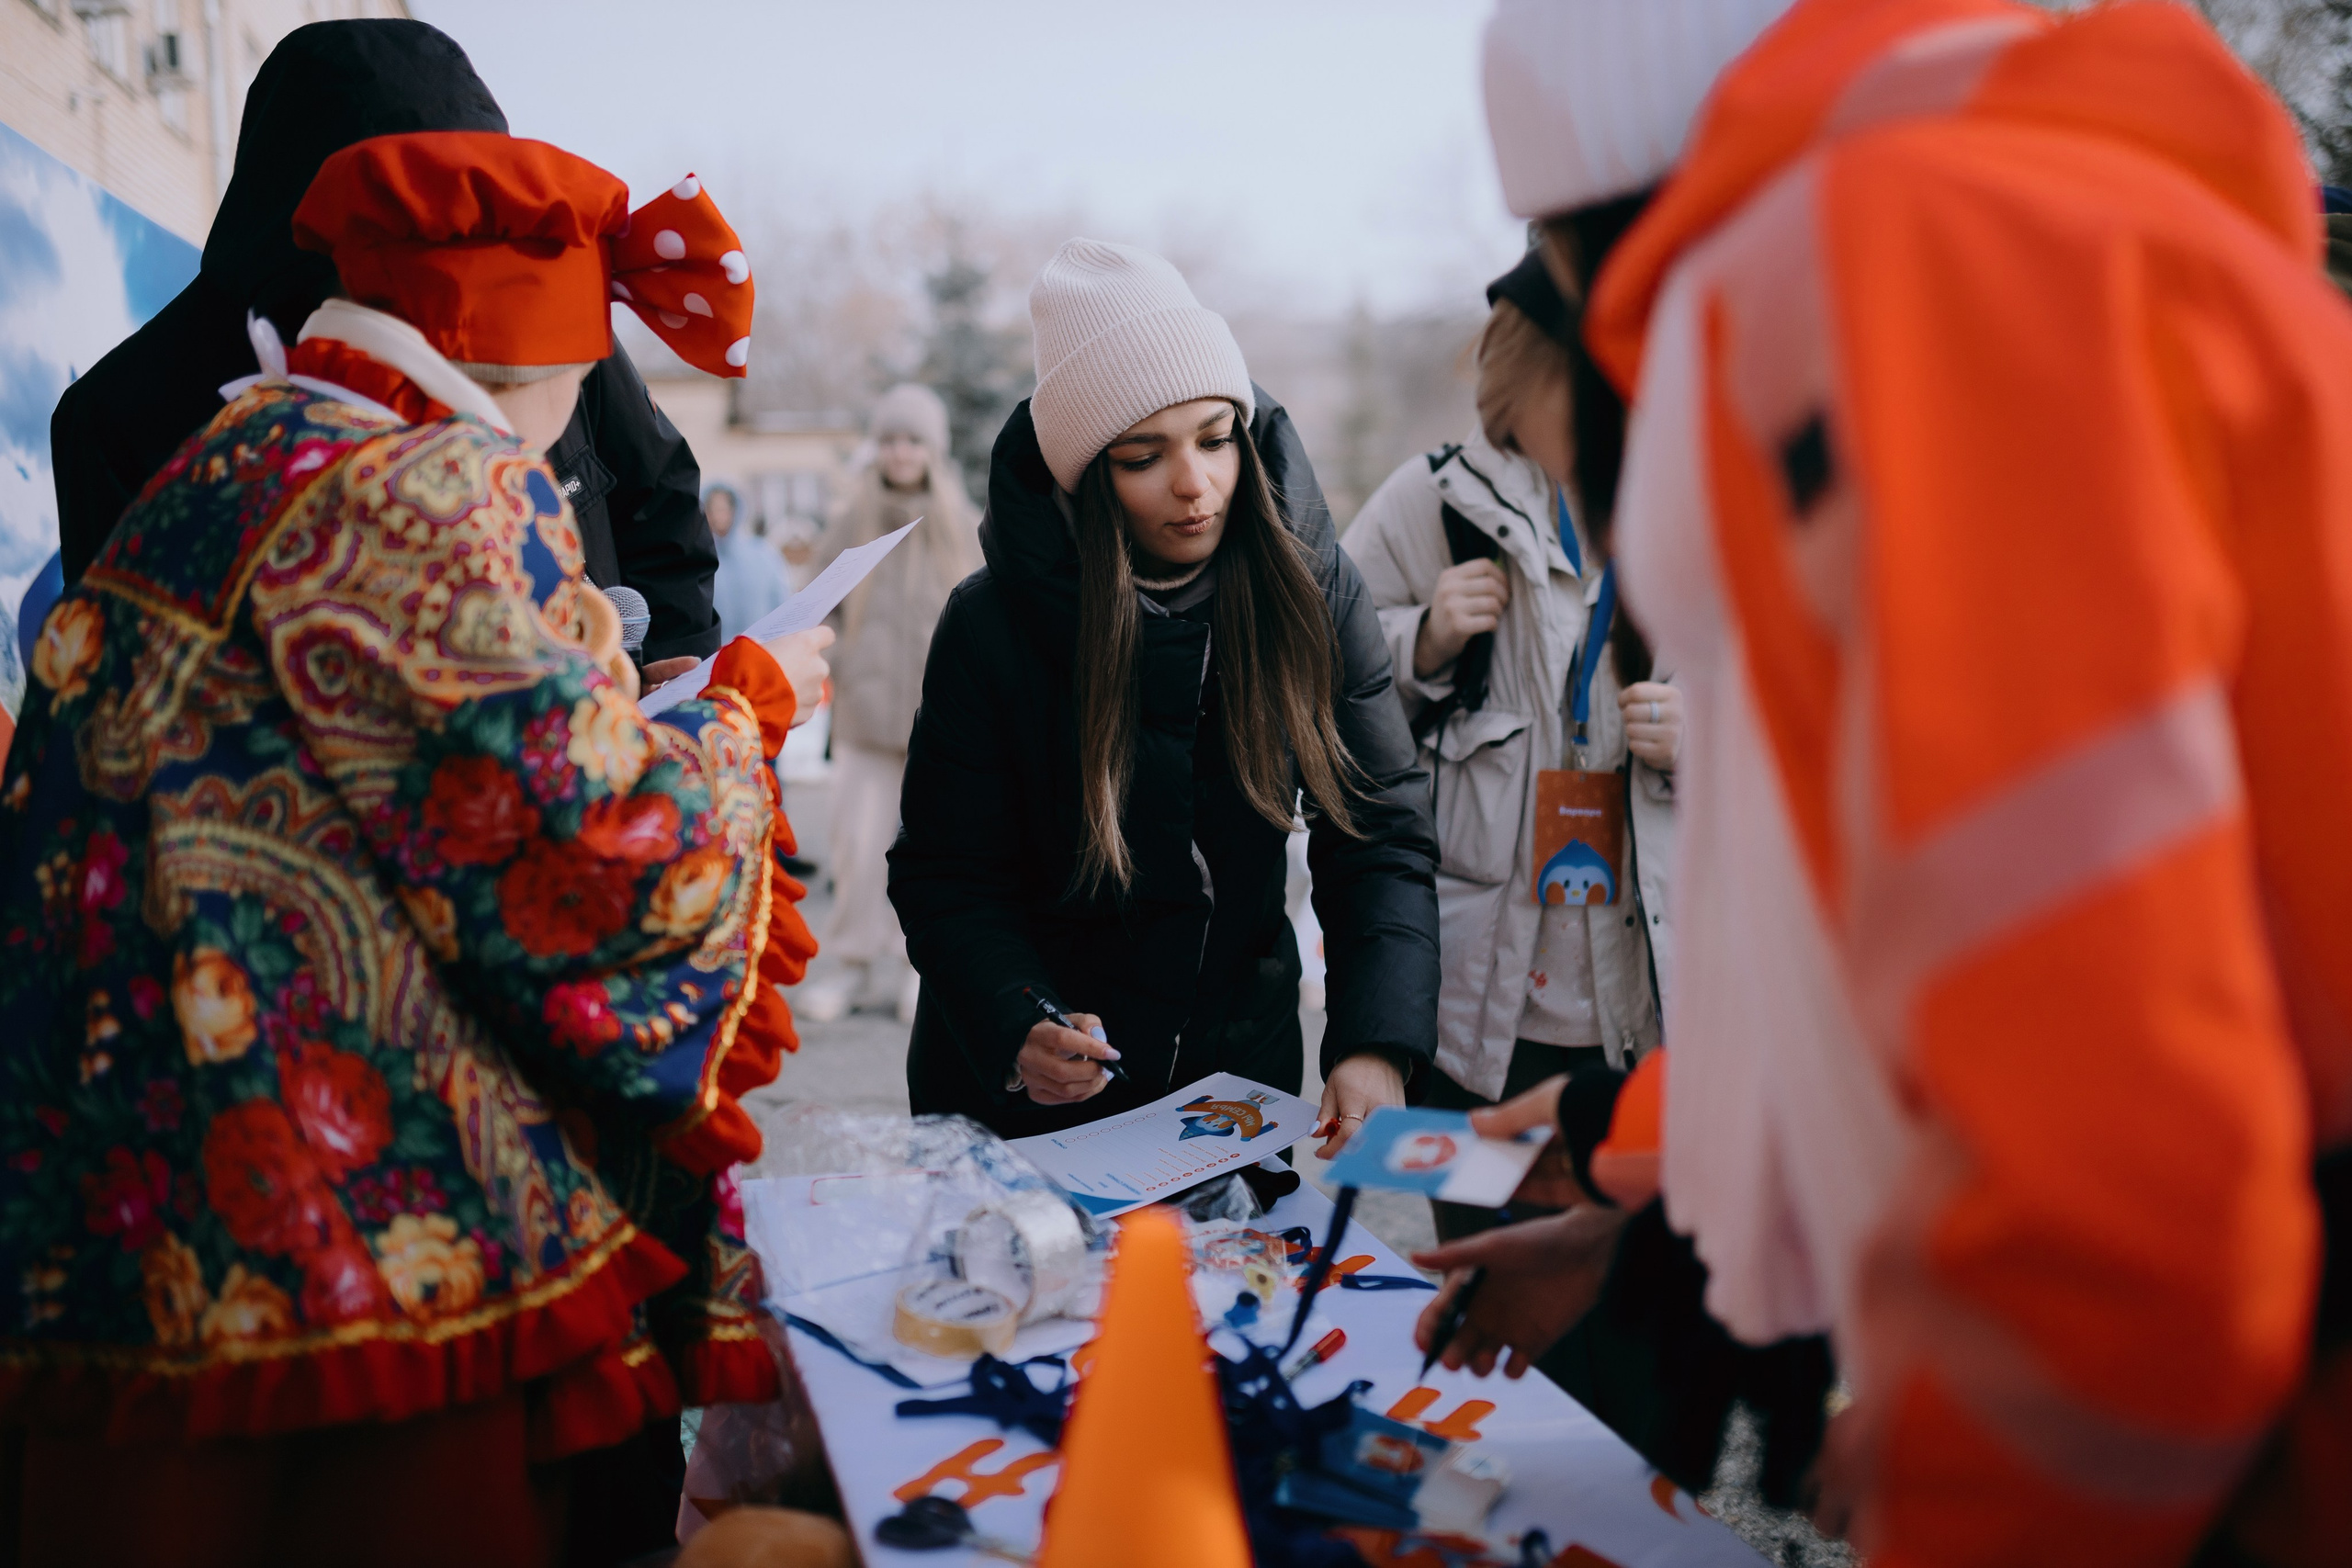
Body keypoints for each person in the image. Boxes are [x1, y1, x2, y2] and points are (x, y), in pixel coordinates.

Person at [1416, 2, 2352, 1562]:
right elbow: (1926, 966)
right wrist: (1617, 1158)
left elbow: (2126, 1178)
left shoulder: (1882, 282)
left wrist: (1974, 1495)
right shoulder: (2004, 217)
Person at [0, 129, 827, 1568]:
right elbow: (605, 856)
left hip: (132, 1207)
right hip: (338, 1228)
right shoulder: (431, 488)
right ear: (541, 370)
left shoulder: (227, 459)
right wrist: (750, 707)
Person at [888, 239, 1440, 1152]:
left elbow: (1377, 830)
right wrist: (1017, 1015)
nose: (1196, 484)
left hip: (1230, 1084)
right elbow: (946, 872)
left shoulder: (1313, 588)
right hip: (1032, 1109)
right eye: (1144, 456)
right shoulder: (990, 625)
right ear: (1085, 474)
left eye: (1217, 438)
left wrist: (1375, 1039)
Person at [47, 19, 725, 675]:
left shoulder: (538, 321)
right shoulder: (122, 418)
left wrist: (672, 674)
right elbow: (121, 690)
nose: (472, 247)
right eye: (446, 215)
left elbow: (659, 499)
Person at [798, 384, 983, 1026]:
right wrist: (844, 665)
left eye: (913, 440)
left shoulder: (960, 523)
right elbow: (816, 597)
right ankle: (852, 965)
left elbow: (986, 608)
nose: (901, 452)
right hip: (863, 719)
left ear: (934, 449)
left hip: (940, 725)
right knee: (857, 845)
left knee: (935, 848)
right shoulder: (855, 516)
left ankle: (918, 971)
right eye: (891, 439)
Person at [708, 480, 794, 640]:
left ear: (735, 510)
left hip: (760, 650)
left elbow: (780, 600)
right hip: (715, 657)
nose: (718, 516)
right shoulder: (699, 559)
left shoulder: (761, 553)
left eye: (723, 509)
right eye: (711, 509)